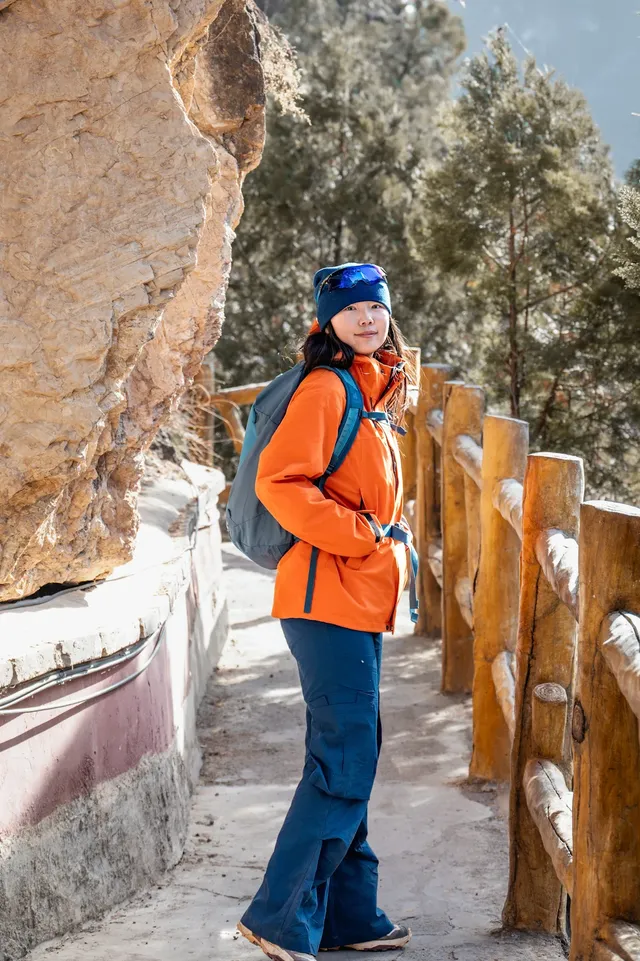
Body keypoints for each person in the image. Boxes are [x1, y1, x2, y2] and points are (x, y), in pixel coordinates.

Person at [237, 263, 416, 961]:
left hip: (358, 598)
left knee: (351, 750)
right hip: (324, 597)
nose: (368, 318)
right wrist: (361, 534)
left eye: (376, 307)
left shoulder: (375, 393)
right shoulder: (326, 387)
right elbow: (280, 481)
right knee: (346, 754)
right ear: (328, 320)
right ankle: (279, 918)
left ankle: (351, 914)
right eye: (352, 310)